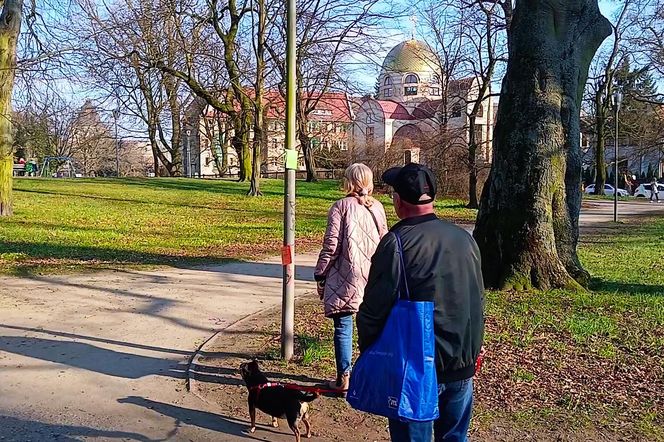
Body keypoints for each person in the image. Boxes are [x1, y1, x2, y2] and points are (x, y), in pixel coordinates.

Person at [357, 163, 484, 442]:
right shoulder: (465, 239)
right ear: (434, 198)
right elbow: (477, 301)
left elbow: (372, 312)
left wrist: (371, 355)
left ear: (398, 201)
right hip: (462, 365)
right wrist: (475, 351)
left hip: (413, 371)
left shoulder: (395, 244)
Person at [314, 163, 388, 392]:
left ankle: (343, 379)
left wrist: (320, 273)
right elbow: (386, 241)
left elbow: (331, 246)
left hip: (347, 275)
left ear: (348, 181)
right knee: (371, 328)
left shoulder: (340, 207)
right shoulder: (378, 207)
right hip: (373, 275)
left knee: (343, 327)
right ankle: (370, 377)